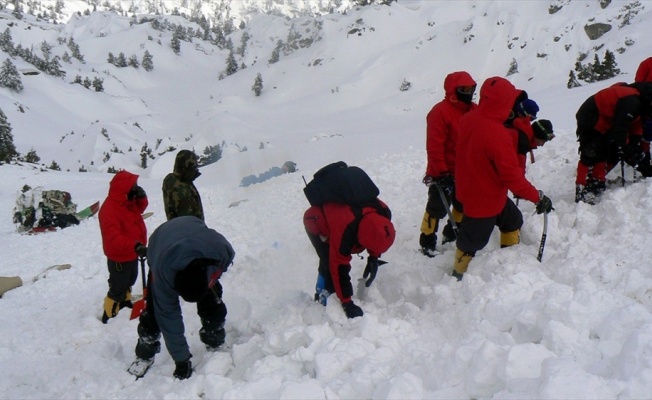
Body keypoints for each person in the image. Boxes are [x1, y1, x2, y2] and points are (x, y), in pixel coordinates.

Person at [452, 76, 553, 280]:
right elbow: (513, 177)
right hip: (484, 200)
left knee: (513, 219)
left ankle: (508, 263)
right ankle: (458, 277)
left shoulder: (468, 119)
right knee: (471, 241)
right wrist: (537, 197)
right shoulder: (498, 134)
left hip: (474, 189)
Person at [132, 216, 235, 380]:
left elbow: (226, 261)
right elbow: (168, 316)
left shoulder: (220, 251)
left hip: (194, 229)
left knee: (213, 302)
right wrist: (182, 360)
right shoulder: (163, 275)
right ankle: (145, 351)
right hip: (161, 241)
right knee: (154, 312)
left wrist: (212, 279)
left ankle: (214, 337)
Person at [303, 200, 395, 318]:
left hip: (336, 218)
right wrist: (347, 303)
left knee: (332, 262)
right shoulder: (345, 227)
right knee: (329, 263)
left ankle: (327, 288)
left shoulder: (383, 212)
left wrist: (374, 257)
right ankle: (321, 293)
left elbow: (378, 233)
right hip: (315, 221)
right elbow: (339, 265)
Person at [420, 71, 477, 257]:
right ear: (453, 90)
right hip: (443, 172)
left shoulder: (474, 110)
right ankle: (427, 239)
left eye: (471, 88)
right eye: (463, 89)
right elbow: (435, 146)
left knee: (462, 204)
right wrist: (441, 173)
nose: (468, 93)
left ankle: (451, 234)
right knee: (436, 207)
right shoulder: (439, 112)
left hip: (466, 171)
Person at [574, 82, 652, 204]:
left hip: (605, 119)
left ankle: (597, 182)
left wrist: (635, 142)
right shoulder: (632, 102)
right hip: (591, 115)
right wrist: (628, 149)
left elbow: (636, 124)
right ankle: (582, 186)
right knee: (590, 152)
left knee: (604, 150)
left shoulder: (641, 104)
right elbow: (620, 130)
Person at [98, 170, 148, 324]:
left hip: (132, 252)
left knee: (130, 279)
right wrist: (135, 245)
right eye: (133, 186)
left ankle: (125, 302)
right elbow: (113, 238)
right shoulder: (109, 210)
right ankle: (109, 313)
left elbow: (140, 210)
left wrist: (142, 198)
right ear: (124, 188)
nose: (135, 188)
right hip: (119, 255)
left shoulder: (127, 202)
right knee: (118, 286)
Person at [163, 150, 204, 220]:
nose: (196, 170)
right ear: (186, 167)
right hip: (191, 229)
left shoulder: (171, 179)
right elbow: (189, 222)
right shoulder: (182, 191)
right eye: (193, 167)